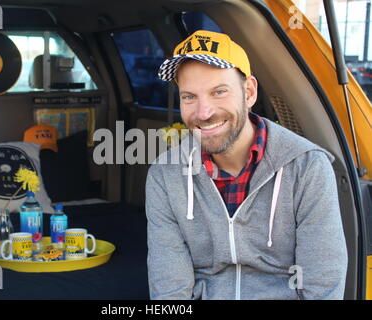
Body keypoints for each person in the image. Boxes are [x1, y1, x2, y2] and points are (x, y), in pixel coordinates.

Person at [145, 30, 348, 300]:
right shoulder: (165, 174)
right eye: (189, 97)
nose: (204, 113)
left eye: (219, 92)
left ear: (249, 92)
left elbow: (322, 287)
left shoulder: (307, 167)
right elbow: (170, 290)